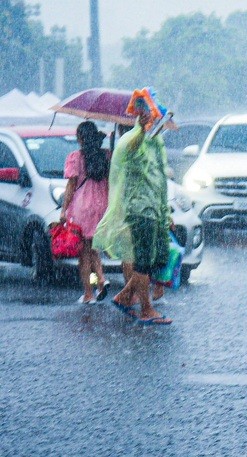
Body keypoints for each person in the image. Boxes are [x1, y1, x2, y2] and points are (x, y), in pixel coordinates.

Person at [93, 112, 172, 325]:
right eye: (155, 120)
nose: (158, 125)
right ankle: (146, 309)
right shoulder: (133, 144)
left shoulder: (151, 143)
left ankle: (125, 296)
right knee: (144, 261)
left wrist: (166, 213)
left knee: (155, 259)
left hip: (152, 210)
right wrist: (142, 128)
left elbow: (159, 181)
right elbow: (136, 160)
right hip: (141, 211)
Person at [61, 121, 111, 304]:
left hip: (82, 207)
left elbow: (71, 185)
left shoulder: (76, 157)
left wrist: (63, 210)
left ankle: (89, 293)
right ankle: (100, 282)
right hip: (102, 205)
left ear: (80, 138)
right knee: (93, 249)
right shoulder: (106, 156)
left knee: (84, 254)